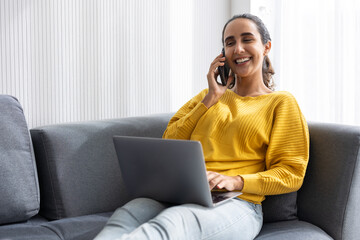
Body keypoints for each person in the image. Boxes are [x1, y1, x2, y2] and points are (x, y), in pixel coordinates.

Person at [95, 13, 309, 240]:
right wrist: (210, 99)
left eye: (247, 39)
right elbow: (169, 143)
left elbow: (291, 173)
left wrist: (236, 181)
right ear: (223, 54)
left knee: (169, 226)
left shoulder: (281, 102)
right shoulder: (205, 98)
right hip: (178, 194)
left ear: (266, 47)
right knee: (124, 218)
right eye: (230, 43)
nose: (238, 49)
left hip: (237, 202)